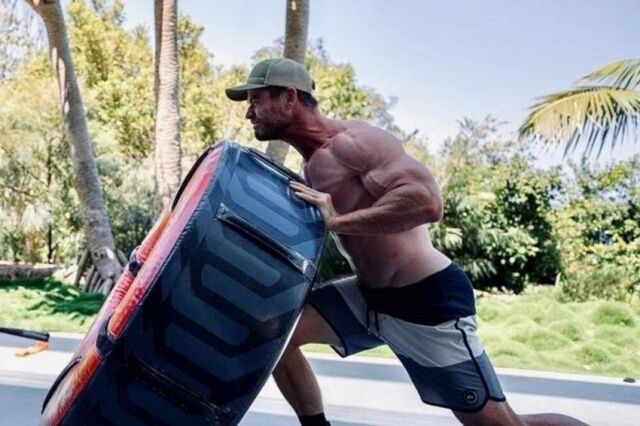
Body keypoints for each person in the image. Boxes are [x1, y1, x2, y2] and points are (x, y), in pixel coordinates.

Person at [226, 58, 585, 426]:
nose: (249, 113)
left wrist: (337, 221)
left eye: (256, 101)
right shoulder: (312, 163)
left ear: (288, 97)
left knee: (502, 424)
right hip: (368, 296)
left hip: (424, 298)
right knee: (272, 332)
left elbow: (427, 202)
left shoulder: (352, 143)